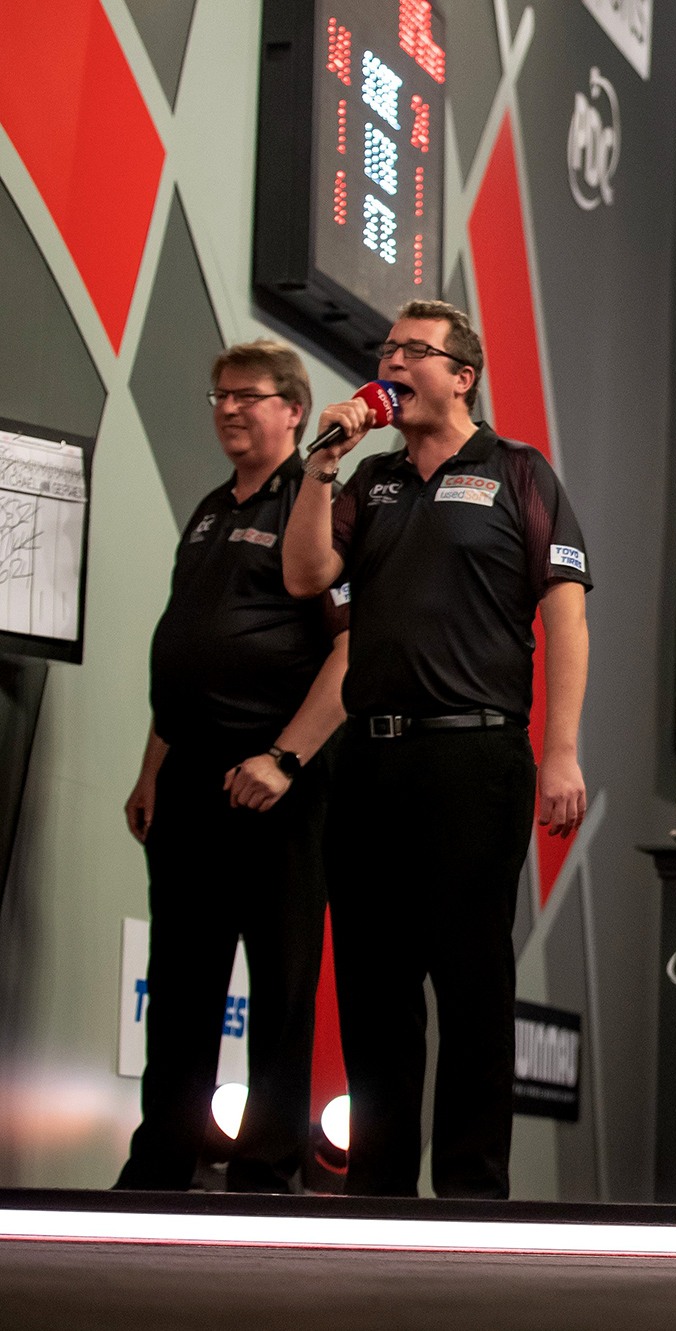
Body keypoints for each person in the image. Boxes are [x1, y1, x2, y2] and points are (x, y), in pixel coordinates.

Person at [281, 300, 591, 1197]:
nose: (391, 363)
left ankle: (471, 1192)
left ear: (463, 376)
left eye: (413, 350)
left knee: (471, 983)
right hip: (371, 764)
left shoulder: (518, 472)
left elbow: (566, 617)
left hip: (475, 757)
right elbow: (306, 575)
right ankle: (378, 1191)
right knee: (373, 987)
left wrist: (561, 751)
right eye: (386, 350)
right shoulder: (368, 480)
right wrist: (320, 467)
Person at [116, 339, 350, 1192]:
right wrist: (153, 765)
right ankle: (161, 1161)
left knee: (281, 985)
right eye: (219, 394)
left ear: (293, 409)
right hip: (189, 774)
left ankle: (265, 1169)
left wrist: (284, 758)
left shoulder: (315, 505)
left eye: (247, 395)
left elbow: (352, 650)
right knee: (180, 981)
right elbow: (186, 651)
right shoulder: (211, 509)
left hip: (275, 780)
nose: (229, 409)